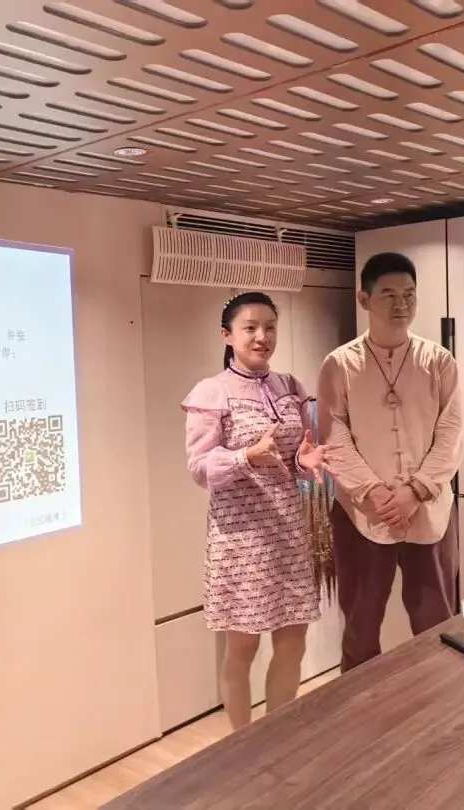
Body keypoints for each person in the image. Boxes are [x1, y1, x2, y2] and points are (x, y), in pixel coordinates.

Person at [182, 291, 341, 730]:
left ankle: (276, 736)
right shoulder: (211, 392)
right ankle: (242, 745)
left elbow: (293, 456)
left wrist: (304, 462)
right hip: (241, 540)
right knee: (242, 649)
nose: (261, 336)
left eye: (270, 327)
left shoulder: (290, 387)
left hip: (289, 533)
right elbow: (198, 468)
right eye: (250, 328)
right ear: (227, 335)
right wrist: (244, 457)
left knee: (293, 641)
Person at [318, 252, 464, 673]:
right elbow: (333, 434)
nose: (402, 304)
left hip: (429, 508)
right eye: (389, 294)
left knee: (437, 621)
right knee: (360, 626)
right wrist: (374, 492)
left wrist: (415, 490)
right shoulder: (340, 364)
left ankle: (440, 699)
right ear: (364, 299)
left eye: (409, 294)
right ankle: (361, 707)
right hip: (363, 511)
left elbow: (452, 433)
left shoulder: (438, 360)